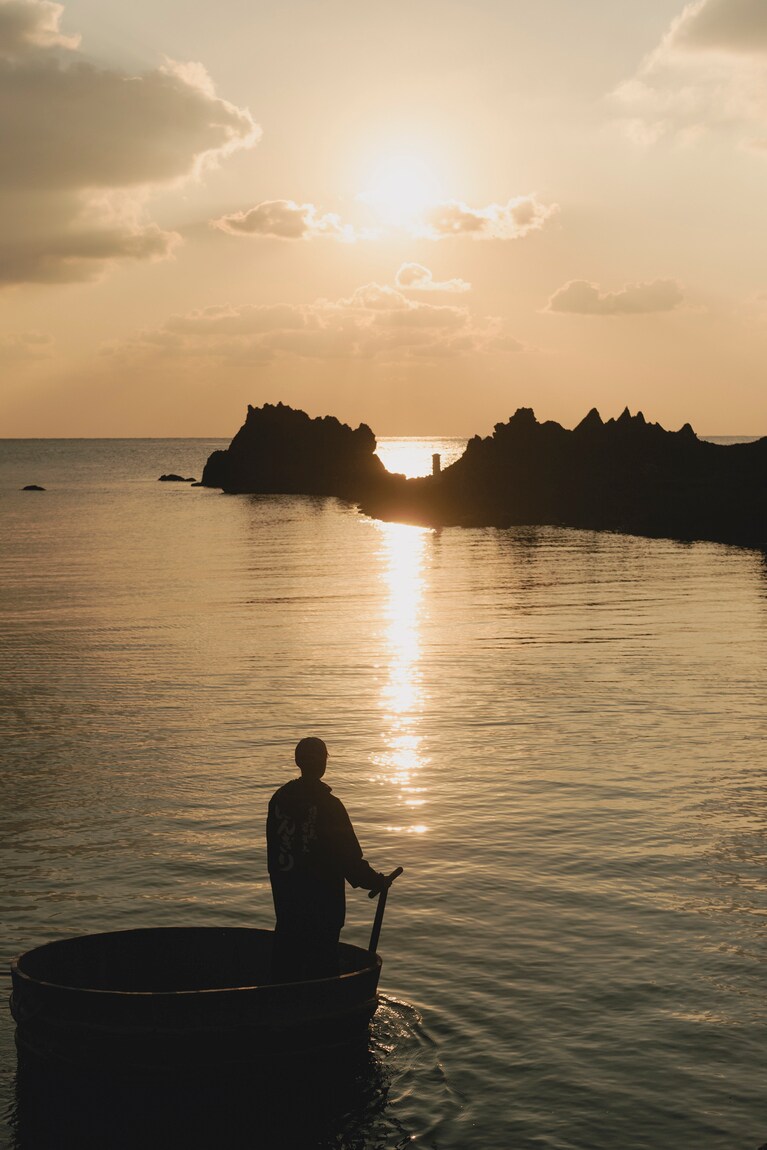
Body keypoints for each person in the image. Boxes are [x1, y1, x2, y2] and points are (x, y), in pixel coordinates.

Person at [267, 736, 387, 982]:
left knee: (289, 965)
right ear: (323, 763)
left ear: (298, 762)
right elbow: (349, 859)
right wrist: (375, 881)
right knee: (322, 969)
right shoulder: (329, 806)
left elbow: (274, 853)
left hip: (287, 901)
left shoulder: (279, 799)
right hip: (322, 906)